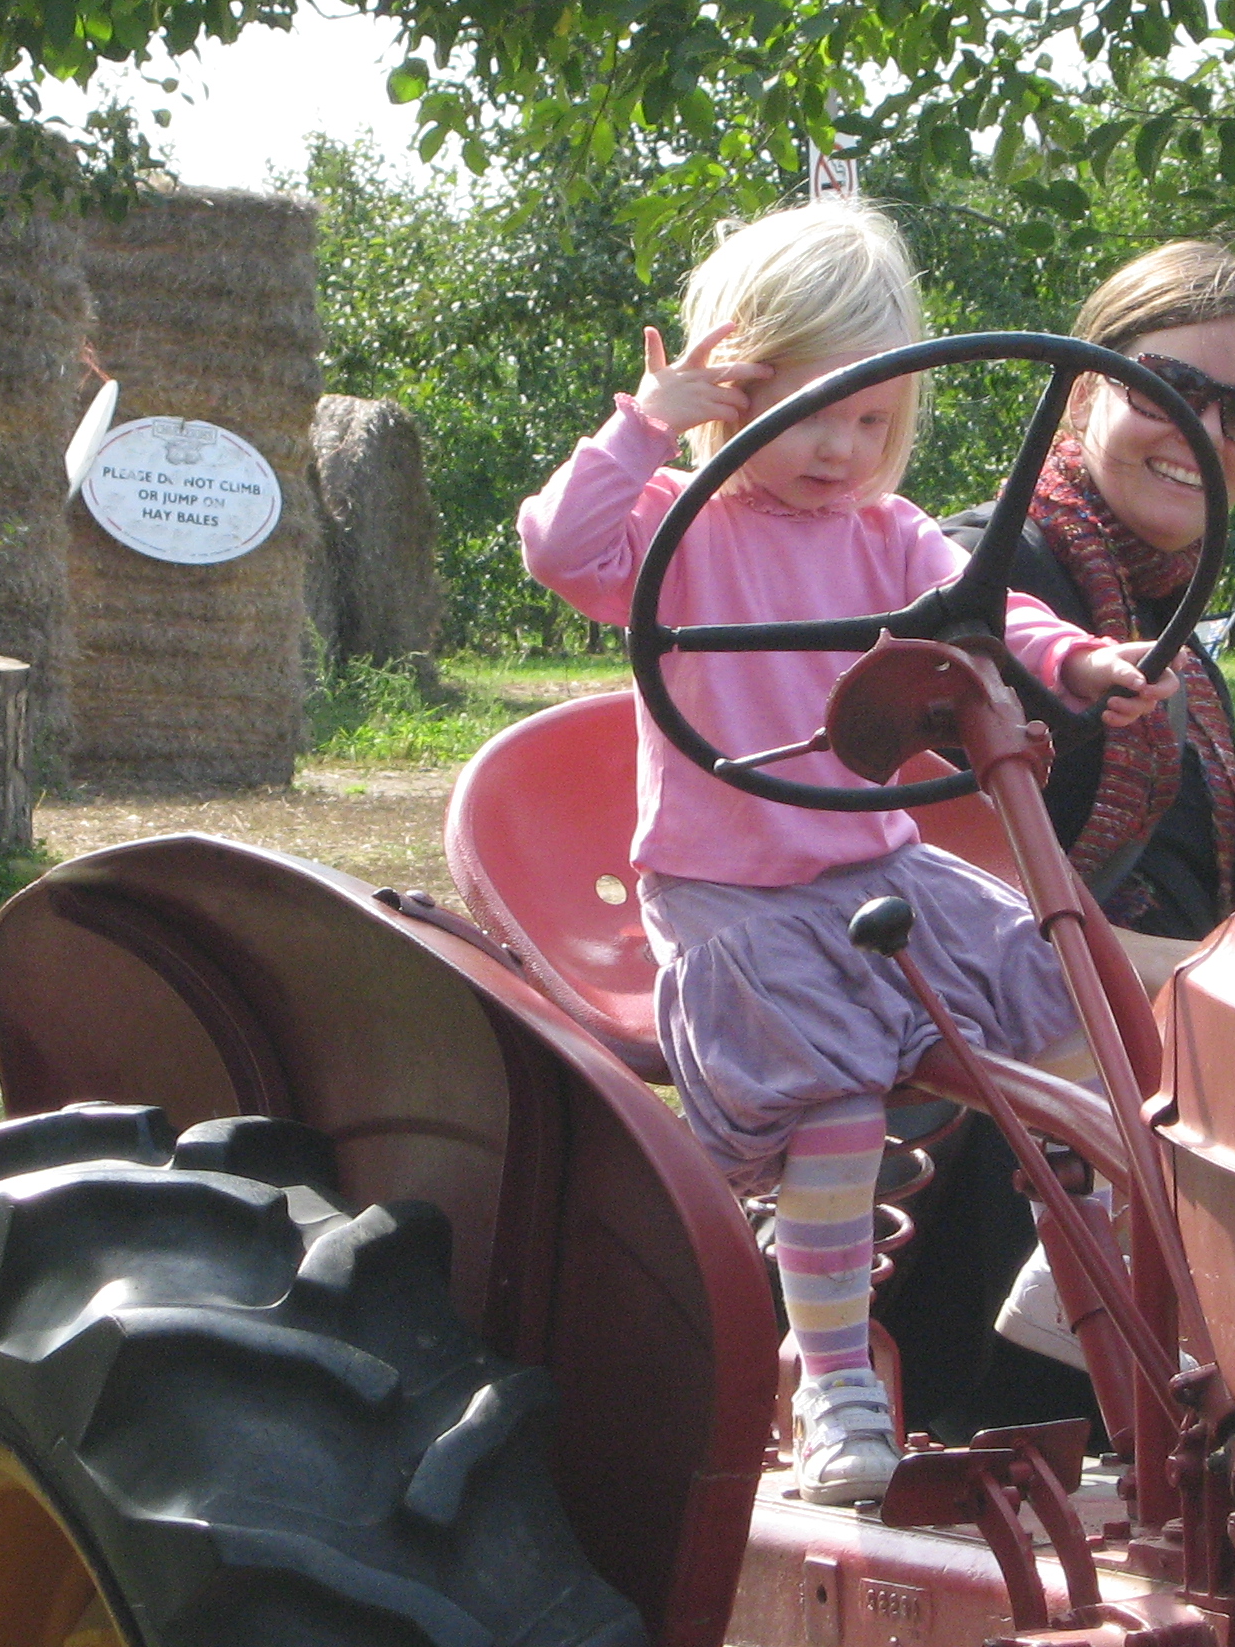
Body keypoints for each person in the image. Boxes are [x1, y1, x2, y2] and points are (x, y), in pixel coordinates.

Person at [517, 200, 1178, 1507]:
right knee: (835, 1112)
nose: (841, 448)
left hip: (877, 871)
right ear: (732, 393)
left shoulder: (888, 536)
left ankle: (1118, 1353)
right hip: (736, 901)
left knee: (1083, 1038)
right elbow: (556, 548)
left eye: (872, 419)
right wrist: (645, 424)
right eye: (810, 410)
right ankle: (833, 1384)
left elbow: (993, 609)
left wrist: (1075, 662)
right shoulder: (677, 527)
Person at [919, 239, 1235, 1417]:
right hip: (990, 1106)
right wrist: (1204, 989)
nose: (1204, 432)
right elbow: (937, 905)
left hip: (1145, 1064)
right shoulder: (975, 583)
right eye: (1168, 388)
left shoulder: (1173, 637)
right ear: (1083, 391)